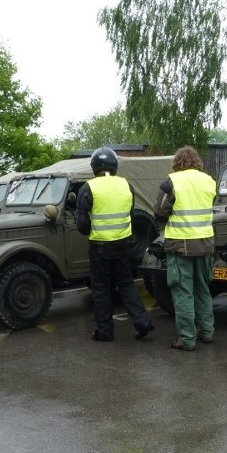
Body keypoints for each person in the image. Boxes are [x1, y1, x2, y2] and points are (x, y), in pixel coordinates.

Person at [75, 146, 154, 342]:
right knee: (126, 284)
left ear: (94, 167)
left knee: (101, 289)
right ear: (115, 165)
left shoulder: (88, 187)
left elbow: (83, 225)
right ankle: (142, 322)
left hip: (99, 247)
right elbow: (131, 212)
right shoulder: (126, 185)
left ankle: (105, 331)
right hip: (123, 245)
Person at [154, 146, 217, 351]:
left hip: (180, 246)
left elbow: (160, 212)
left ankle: (187, 339)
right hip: (205, 244)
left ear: (177, 163)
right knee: (202, 290)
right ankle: (207, 332)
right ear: (196, 161)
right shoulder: (209, 181)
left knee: (182, 293)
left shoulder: (172, 182)